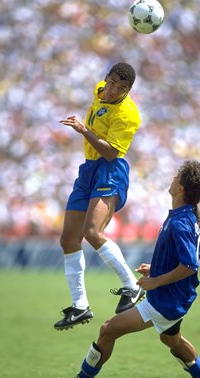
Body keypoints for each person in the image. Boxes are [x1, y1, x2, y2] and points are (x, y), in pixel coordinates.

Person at [52, 160, 200, 378]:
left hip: (166, 300)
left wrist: (156, 281)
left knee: (108, 329)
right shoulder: (184, 215)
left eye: (176, 176)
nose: (172, 178)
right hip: (177, 297)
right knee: (171, 339)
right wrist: (156, 269)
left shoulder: (181, 221)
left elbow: (190, 265)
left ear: (181, 188)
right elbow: (187, 258)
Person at [54, 62, 144, 331]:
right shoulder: (100, 90)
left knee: (93, 232)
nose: (114, 90)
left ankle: (132, 286)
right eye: (113, 83)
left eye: (122, 88)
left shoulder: (128, 113)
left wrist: (83, 130)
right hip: (88, 169)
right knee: (68, 238)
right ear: (106, 79)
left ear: (129, 90)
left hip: (109, 170)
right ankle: (80, 305)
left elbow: (110, 153)